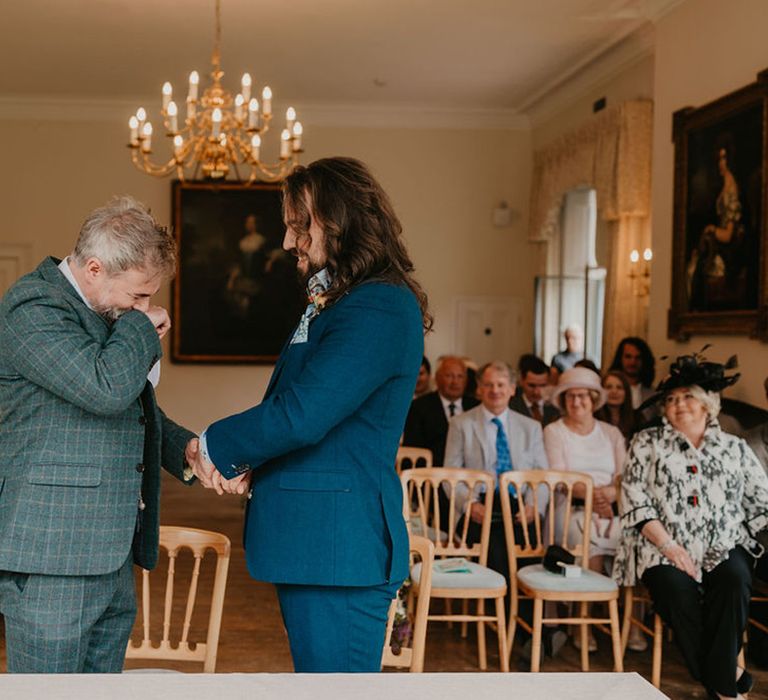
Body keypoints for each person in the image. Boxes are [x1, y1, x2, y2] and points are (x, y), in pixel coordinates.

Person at [188, 157, 429, 673]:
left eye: (300, 224)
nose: (286, 240)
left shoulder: (378, 306)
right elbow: (316, 412)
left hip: (339, 549)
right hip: (321, 545)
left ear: (342, 221)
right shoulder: (343, 301)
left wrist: (212, 445)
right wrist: (258, 460)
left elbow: (302, 414)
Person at [0, 196, 197, 673]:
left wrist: (190, 451)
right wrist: (139, 328)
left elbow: (130, 411)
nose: (146, 308)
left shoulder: (104, 315)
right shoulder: (32, 306)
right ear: (93, 269)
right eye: (137, 296)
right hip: (51, 557)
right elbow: (106, 389)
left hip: (110, 555)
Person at [613, 353, 768, 699]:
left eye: (687, 397)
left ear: (707, 403)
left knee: (734, 579)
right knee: (673, 589)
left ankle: (720, 678)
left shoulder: (735, 448)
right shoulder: (646, 443)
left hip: (724, 544)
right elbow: (634, 499)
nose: (678, 404)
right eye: (671, 399)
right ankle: (729, 683)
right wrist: (669, 546)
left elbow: (761, 500)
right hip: (662, 547)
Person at [444, 361, 561, 656]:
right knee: (502, 548)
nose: (495, 390)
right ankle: (530, 633)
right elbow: (450, 476)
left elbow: (542, 476)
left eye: (501, 385)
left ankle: (515, 632)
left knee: (520, 547)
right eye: (489, 384)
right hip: (480, 505)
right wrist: (469, 504)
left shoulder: (531, 427)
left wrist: (535, 506)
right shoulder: (461, 424)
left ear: (512, 389)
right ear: (480, 388)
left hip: (519, 505)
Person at [544, 366, 628, 652]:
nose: (576, 402)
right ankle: (583, 623)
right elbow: (560, 477)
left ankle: (626, 622)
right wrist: (594, 497)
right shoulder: (554, 431)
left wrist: (608, 496)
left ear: (594, 399)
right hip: (570, 506)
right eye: (570, 396)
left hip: (609, 507)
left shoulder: (611, 432)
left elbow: (623, 476)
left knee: (631, 539)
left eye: (582, 396)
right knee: (588, 537)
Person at [403, 356, 479, 466]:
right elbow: (412, 451)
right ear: (437, 378)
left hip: (470, 475)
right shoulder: (418, 407)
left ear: (466, 380)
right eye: (449, 376)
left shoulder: (476, 406)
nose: (455, 382)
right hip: (431, 474)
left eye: (460, 376)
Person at [510, 354, 559, 426]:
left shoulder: (556, 406)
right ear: (521, 381)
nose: (536, 392)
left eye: (543, 386)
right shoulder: (510, 405)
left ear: (549, 382)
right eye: (531, 385)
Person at [608, 337, 655, 410]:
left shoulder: (652, 395)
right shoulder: (609, 391)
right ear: (620, 359)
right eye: (628, 357)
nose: (633, 362)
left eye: (638, 358)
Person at [594, 370, 637, 445]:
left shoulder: (637, 418)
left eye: (619, 387)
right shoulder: (593, 417)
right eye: (608, 387)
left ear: (626, 392)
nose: (614, 391)